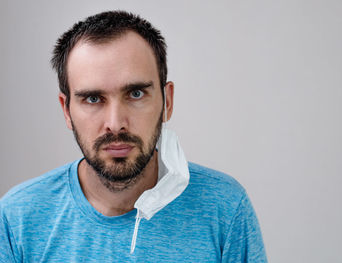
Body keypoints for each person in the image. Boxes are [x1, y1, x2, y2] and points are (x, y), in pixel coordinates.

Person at [0, 11, 267, 262]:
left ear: (167, 101)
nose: (115, 124)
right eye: (93, 99)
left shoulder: (225, 209)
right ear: (66, 110)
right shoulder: (17, 218)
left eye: (136, 94)